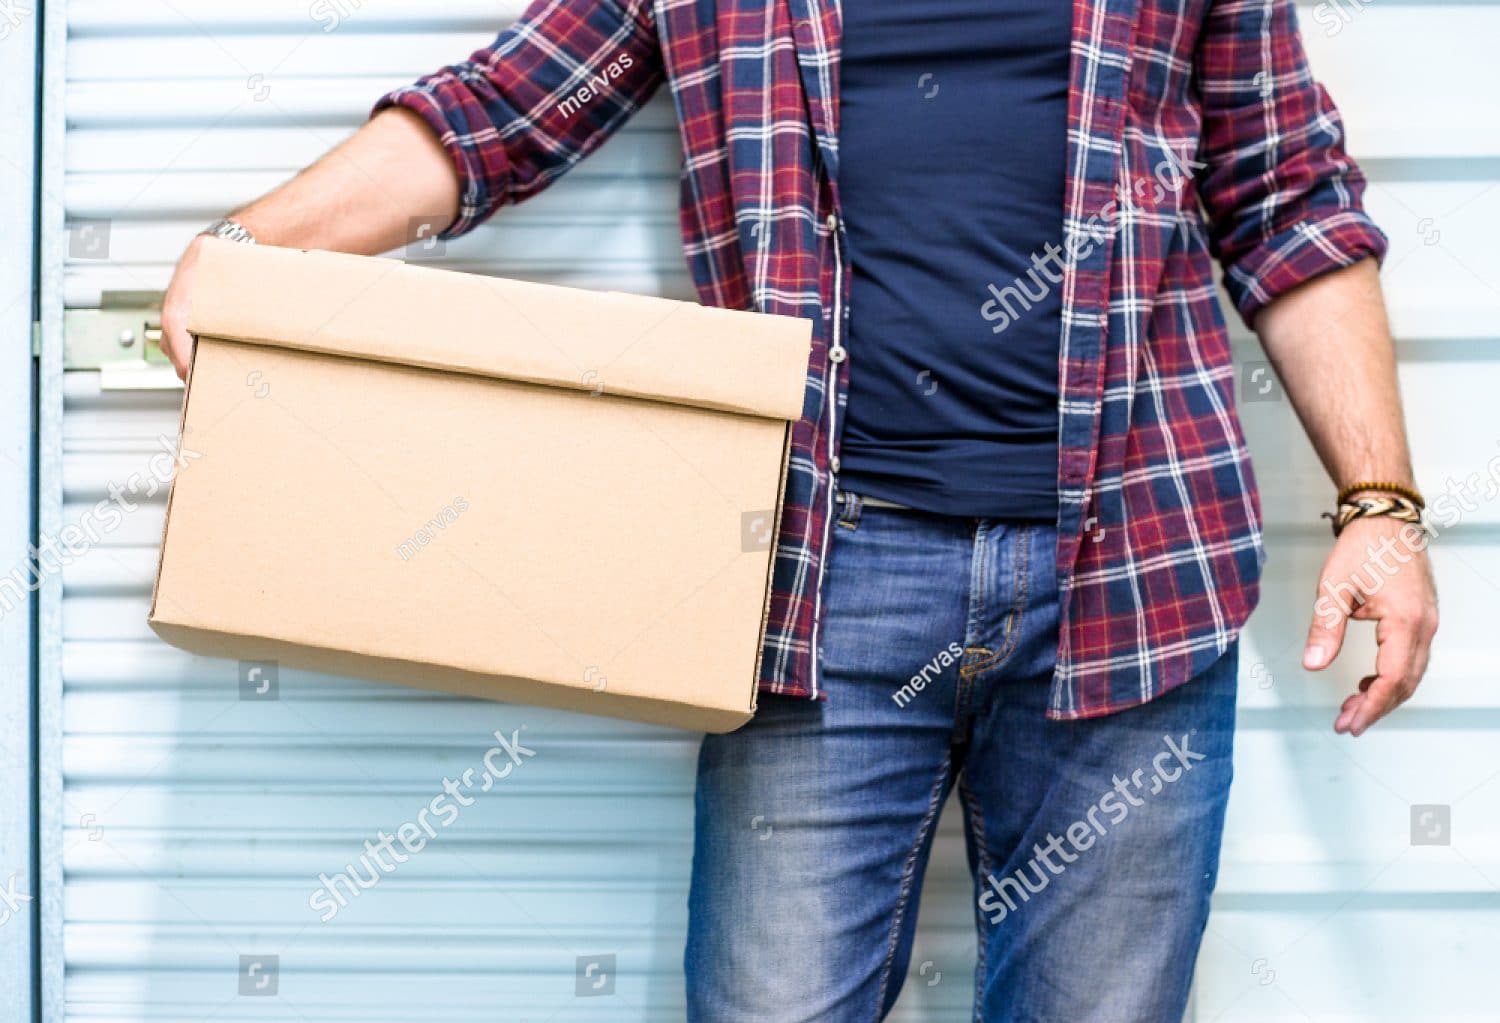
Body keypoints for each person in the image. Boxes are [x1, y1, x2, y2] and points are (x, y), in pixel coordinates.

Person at [159, 0, 1439, 1018]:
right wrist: (248, 251)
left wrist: (1378, 502)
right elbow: (501, 114)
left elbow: (1289, 200)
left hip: (1139, 574)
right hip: (819, 584)